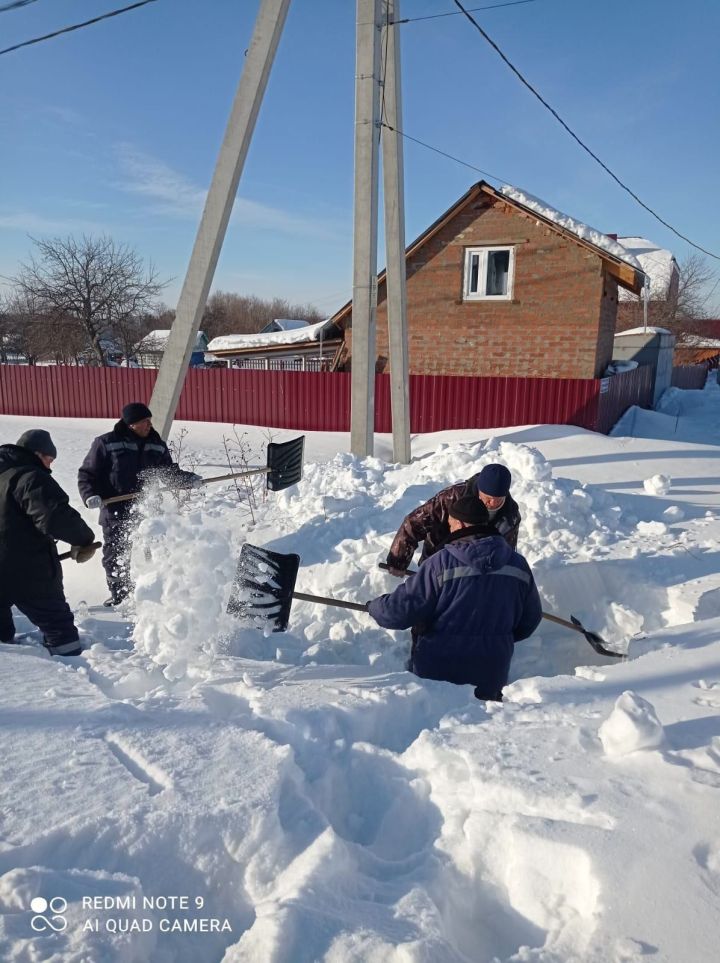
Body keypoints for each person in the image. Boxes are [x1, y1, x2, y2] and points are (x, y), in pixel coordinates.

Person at [368, 496, 542, 701]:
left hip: (438, 677)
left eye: (450, 522)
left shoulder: (439, 564)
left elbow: (398, 612)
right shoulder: (517, 565)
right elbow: (530, 619)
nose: (449, 527)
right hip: (491, 675)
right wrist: (497, 638)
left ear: (460, 523)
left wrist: (374, 606)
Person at [78, 402, 201, 606]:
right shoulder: (106, 443)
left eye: (149, 421)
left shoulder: (156, 444)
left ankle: (157, 593)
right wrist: (89, 495)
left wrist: (188, 480)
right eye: (144, 422)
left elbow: (168, 473)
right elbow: (87, 474)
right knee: (116, 553)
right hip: (115, 509)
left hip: (148, 508)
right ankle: (120, 595)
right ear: (131, 424)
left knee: (157, 548)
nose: (148, 425)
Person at [0, 429, 97, 657]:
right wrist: (83, 539)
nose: (50, 466)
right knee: (56, 623)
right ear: (37, 454)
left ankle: (11, 667)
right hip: (28, 568)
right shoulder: (30, 477)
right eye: (49, 459)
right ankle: (71, 669)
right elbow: (54, 516)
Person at [385, 462, 521, 575]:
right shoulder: (453, 498)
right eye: (487, 498)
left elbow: (506, 552)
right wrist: (398, 560)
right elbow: (414, 523)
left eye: (497, 500)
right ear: (479, 489)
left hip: (479, 575)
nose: (490, 503)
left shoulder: (510, 515)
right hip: (438, 565)